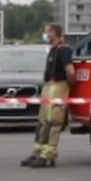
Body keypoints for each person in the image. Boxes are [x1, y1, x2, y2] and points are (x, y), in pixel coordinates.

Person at [24, 22, 74, 168]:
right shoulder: (53, 50)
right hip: (49, 86)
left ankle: (48, 155)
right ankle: (38, 153)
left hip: (58, 86)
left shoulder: (64, 50)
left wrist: (68, 86)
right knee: (43, 120)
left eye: (48, 32)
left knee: (54, 120)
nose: (46, 34)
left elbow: (70, 72)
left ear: (54, 32)